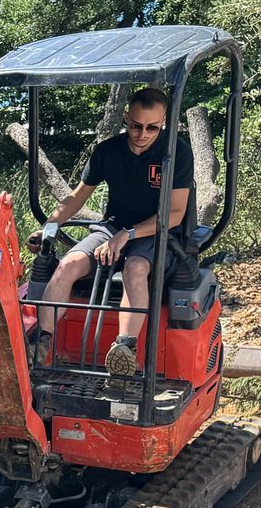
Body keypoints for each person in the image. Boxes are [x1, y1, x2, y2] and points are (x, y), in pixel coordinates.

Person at [34, 86, 195, 377]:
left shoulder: (177, 154)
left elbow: (174, 213)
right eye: (135, 125)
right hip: (113, 225)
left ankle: (124, 349)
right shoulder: (108, 151)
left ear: (164, 123)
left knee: (135, 269)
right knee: (67, 264)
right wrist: (50, 226)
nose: (142, 133)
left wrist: (128, 236)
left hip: (156, 232)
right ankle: (41, 342)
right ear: (125, 118)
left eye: (152, 127)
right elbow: (78, 196)